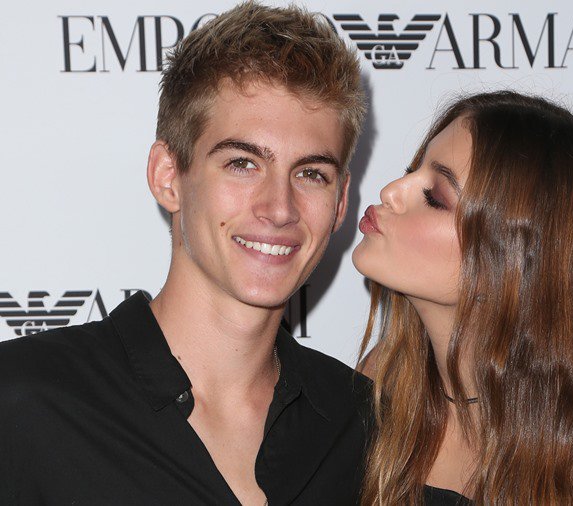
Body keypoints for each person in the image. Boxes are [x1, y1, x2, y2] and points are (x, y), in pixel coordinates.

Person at [0, 2, 370, 504]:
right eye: (242, 163)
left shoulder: (369, 429)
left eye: (311, 174)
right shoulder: (24, 401)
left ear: (341, 202)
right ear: (168, 177)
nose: (279, 208)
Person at [353, 91, 573, 505]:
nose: (392, 191)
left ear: (517, 263)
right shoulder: (384, 381)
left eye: (435, 198)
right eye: (411, 170)